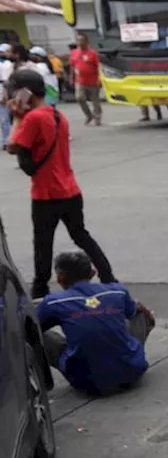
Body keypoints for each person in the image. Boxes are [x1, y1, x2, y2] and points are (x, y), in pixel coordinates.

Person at [5, 68, 116, 300]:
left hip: (46, 194)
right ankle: (108, 276)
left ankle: (40, 288)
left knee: (43, 244)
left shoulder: (33, 118)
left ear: (24, 93)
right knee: (81, 235)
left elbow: (12, 146)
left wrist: (16, 117)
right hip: (70, 190)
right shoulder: (57, 115)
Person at [36, 251, 153, 395]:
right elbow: (133, 312)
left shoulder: (54, 301)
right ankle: (126, 357)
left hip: (87, 381)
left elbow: (33, 326)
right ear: (92, 272)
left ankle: (38, 381)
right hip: (132, 373)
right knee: (140, 312)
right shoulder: (117, 291)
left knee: (36, 333)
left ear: (60, 278)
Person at [69, 34, 102, 127]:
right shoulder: (74, 53)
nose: (80, 42)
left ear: (86, 42)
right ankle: (89, 115)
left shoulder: (93, 53)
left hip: (93, 80)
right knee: (79, 98)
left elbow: (99, 66)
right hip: (80, 81)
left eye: (82, 40)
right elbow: (72, 66)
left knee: (95, 100)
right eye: (78, 40)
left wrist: (99, 78)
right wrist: (71, 77)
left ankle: (97, 117)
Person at [0, 43, 12, 143]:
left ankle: (6, 140)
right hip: (3, 91)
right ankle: (6, 140)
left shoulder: (7, 64)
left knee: (5, 117)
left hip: (4, 91)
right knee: (5, 117)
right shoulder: (5, 64)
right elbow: (5, 81)